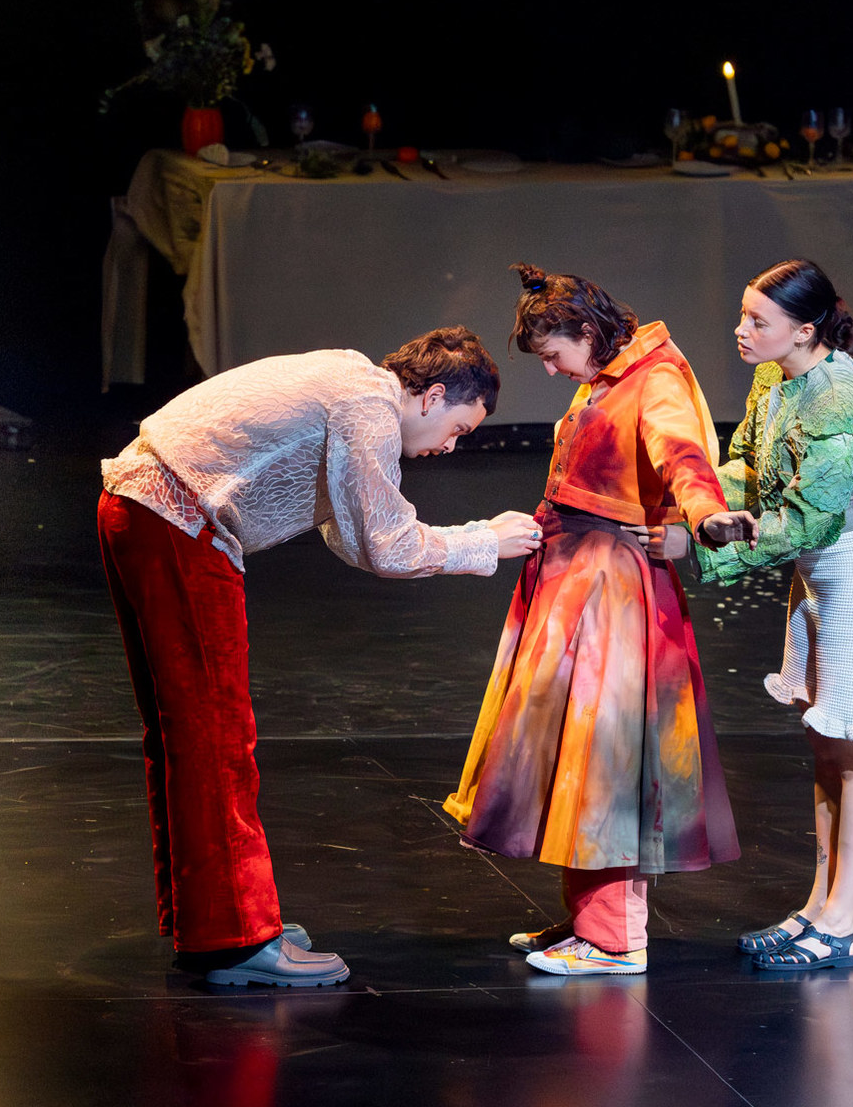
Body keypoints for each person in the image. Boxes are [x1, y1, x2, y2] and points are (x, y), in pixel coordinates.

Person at [99, 328, 543, 987]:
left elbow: (353, 534)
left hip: (138, 508)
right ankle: (233, 939)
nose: (451, 446)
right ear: (433, 396)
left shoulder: (350, 380)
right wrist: (484, 540)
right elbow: (387, 545)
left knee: (184, 734)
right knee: (215, 734)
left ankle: (211, 921)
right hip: (179, 525)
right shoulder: (368, 405)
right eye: (459, 428)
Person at [445, 265, 759, 977]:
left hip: (609, 587)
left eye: (554, 354)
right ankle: (590, 919)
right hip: (575, 579)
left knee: (607, 758)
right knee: (575, 755)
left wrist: (707, 516)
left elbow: (681, 455)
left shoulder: (655, 378)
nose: (551, 370)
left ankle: (615, 938)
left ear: (587, 332)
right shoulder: (606, 377)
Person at [697, 258, 853, 970]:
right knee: (828, 747)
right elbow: (749, 468)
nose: (741, 330)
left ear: (805, 330)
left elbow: (813, 518)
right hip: (817, 582)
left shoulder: (839, 394)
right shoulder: (775, 379)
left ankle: (842, 925)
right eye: (744, 315)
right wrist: (696, 500)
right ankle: (817, 907)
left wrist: (715, 538)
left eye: (758, 321)